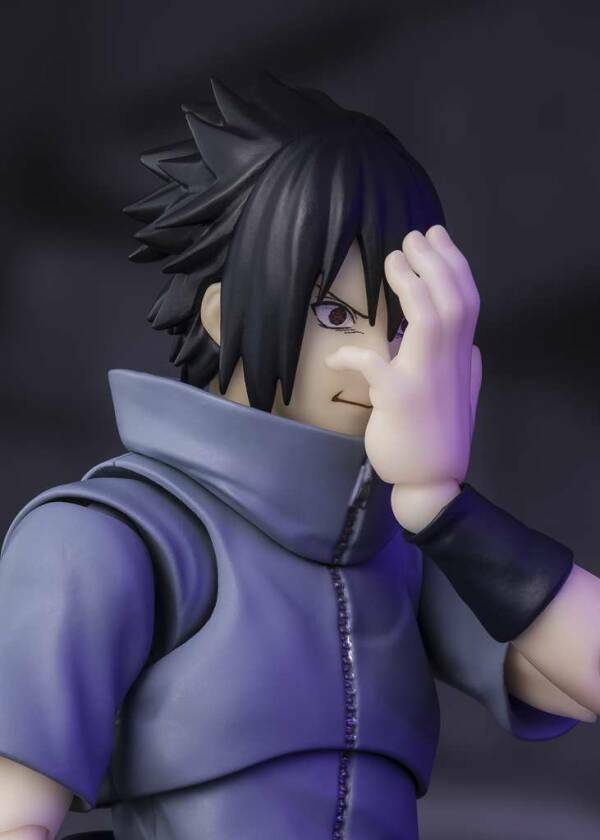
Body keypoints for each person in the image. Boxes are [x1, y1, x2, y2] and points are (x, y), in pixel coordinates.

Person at [0, 74, 598, 840]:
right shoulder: (111, 539)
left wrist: (440, 503)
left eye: (401, 325)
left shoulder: (401, 546)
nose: (376, 359)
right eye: (333, 314)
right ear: (224, 315)